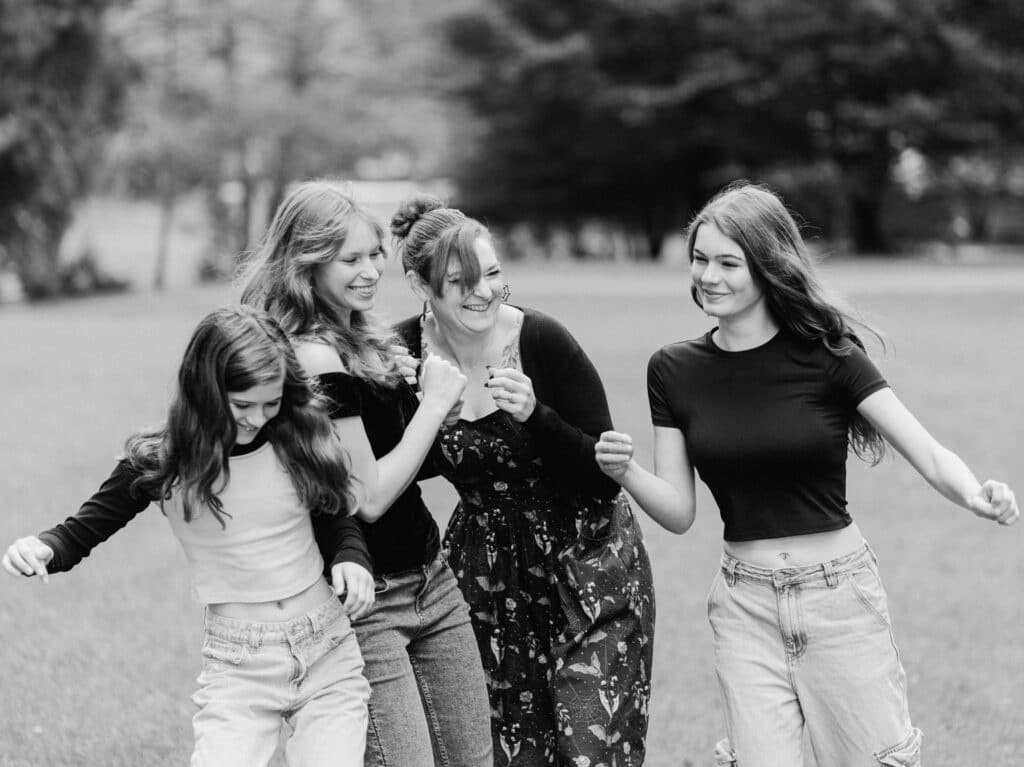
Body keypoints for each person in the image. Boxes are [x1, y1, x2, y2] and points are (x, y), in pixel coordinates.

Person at [594, 182, 1020, 767]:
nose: (708, 276)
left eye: (728, 263)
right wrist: (626, 471)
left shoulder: (828, 355)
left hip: (839, 599)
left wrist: (975, 494)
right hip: (745, 606)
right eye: (699, 259)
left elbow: (926, 451)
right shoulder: (673, 369)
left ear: (767, 265)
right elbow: (679, 511)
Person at [2, 305, 374, 767]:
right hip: (240, 665)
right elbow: (82, 530)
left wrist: (351, 557)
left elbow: (334, 514)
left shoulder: (295, 438)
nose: (258, 418)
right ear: (206, 391)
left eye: (271, 403)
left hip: (326, 650)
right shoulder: (164, 463)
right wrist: (42, 548)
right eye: (242, 405)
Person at [390, 196, 655, 767]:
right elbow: (392, 474)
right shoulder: (402, 357)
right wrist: (422, 410)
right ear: (419, 285)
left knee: (592, 748)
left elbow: (603, 479)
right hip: (486, 577)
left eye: (493, 275)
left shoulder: (541, 340)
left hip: (586, 564)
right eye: (461, 281)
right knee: (512, 750)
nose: (483, 292)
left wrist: (537, 416)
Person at [240, 180, 493, 767]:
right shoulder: (313, 355)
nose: (371, 271)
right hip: (367, 600)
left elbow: (406, 462)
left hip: (430, 577)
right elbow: (367, 496)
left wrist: (429, 406)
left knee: (473, 758)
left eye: (375, 254)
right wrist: (431, 407)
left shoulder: (361, 339)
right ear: (306, 264)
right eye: (350, 259)